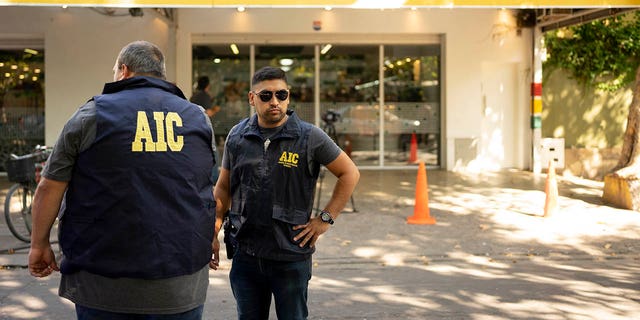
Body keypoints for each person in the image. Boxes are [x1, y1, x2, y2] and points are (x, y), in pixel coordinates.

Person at [28, 40, 218, 320]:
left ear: (124, 70)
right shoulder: (199, 119)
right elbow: (205, 188)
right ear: (160, 74)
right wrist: (211, 235)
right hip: (181, 283)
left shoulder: (91, 114)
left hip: (102, 284)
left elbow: (49, 186)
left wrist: (38, 245)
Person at [213, 66, 360, 320]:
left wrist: (325, 219)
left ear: (288, 96)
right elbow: (224, 188)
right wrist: (212, 231)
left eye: (281, 95)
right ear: (252, 98)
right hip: (246, 256)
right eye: (266, 95)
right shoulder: (237, 136)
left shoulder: (309, 137)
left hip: (290, 257)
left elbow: (350, 173)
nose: (274, 102)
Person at [190, 75, 221, 184]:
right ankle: (214, 182)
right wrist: (216, 109)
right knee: (214, 153)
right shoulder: (204, 95)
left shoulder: (194, 96)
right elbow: (207, 113)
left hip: (193, 128)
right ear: (208, 85)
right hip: (205, 129)